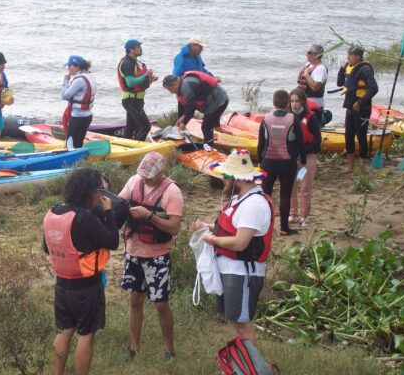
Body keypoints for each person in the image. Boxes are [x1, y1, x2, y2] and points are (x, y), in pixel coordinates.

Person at [192, 149, 274, 344]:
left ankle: (250, 368)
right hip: (232, 270)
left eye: (226, 178)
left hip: (243, 273)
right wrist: (208, 227)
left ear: (238, 179)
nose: (223, 182)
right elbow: (233, 228)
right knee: (236, 321)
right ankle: (243, 366)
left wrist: (212, 240)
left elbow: (240, 242)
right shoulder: (239, 200)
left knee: (242, 323)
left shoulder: (254, 204)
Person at [43, 167, 120, 375]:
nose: (99, 196)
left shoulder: (52, 212)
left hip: (62, 285)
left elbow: (46, 247)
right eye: (98, 191)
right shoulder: (84, 219)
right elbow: (113, 241)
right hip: (87, 287)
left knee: (64, 331)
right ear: (89, 192)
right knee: (86, 335)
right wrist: (108, 211)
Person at [119, 152, 183, 361]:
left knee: (161, 303)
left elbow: (174, 227)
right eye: (143, 175)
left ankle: (170, 349)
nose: (144, 179)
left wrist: (149, 216)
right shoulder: (134, 181)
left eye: (149, 176)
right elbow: (119, 204)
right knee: (135, 300)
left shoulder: (172, 192)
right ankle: (133, 347)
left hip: (157, 256)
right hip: (133, 252)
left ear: (162, 173)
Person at [257, 89, 306, 236]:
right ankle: (284, 228)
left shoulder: (265, 119)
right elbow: (300, 143)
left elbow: (260, 143)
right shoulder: (293, 119)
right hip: (287, 163)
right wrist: (302, 159)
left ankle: (263, 228)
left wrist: (260, 161)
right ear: (287, 104)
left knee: (266, 195)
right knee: (285, 195)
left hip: (268, 163)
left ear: (273, 103)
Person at [337, 46, 379, 171]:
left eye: (350, 55)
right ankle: (350, 165)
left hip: (362, 108)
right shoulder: (349, 67)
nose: (348, 57)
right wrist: (342, 68)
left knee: (361, 135)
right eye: (347, 54)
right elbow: (339, 83)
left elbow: (374, 88)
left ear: (358, 57)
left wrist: (360, 102)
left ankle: (362, 165)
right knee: (348, 135)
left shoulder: (365, 69)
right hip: (350, 106)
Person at [162, 73, 229, 151]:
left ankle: (209, 148)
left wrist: (184, 123)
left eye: (170, 89)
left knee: (206, 127)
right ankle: (218, 131)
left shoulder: (185, 85)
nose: (171, 92)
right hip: (216, 100)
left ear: (175, 83)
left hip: (219, 101)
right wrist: (181, 117)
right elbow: (181, 103)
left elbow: (191, 107)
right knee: (212, 120)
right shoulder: (181, 85)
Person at [289, 89, 322, 227]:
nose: (294, 104)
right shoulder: (288, 116)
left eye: (297, 101)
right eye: (292, 101)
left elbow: (317, 140)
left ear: (303, 102)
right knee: (291, 186)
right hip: (292, 157)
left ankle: (304, 216)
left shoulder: (311, 117)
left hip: (308, 156)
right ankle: (293, 214)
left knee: (305, 187)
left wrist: (303, 152)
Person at [117, 39, 158, 141]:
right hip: (132, 101)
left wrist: (150, 78)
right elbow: (130, 82)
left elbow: (139, 80)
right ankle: (138, 148)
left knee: (131, 127)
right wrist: (145, 75)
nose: (141, 49)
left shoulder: (135, 62)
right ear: (131, 49)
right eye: (138, 47)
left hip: (135, 100)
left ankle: (127, 147)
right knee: (145, 126)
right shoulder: (127, 63)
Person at [61, 55, 96, 149]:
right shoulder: (90, 76)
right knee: (78, 144)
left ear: (77, 66)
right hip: (88, 117)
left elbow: (65, 96)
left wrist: (65, 81)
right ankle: (79, 161)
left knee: (70, 146)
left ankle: (69, 162)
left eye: (70, 66)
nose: (68, 68)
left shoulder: (79, 80)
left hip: (77, 118)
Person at [297, 44, 328, 124]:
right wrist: (301, 72)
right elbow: (298, 81)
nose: (306, 54)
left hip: (315, 104)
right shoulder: (308, 64)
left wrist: (306, 74)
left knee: (312, 127)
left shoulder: (321, 68)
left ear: (316, 55)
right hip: (304, 102)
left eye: (309, 52)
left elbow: (315, 87)